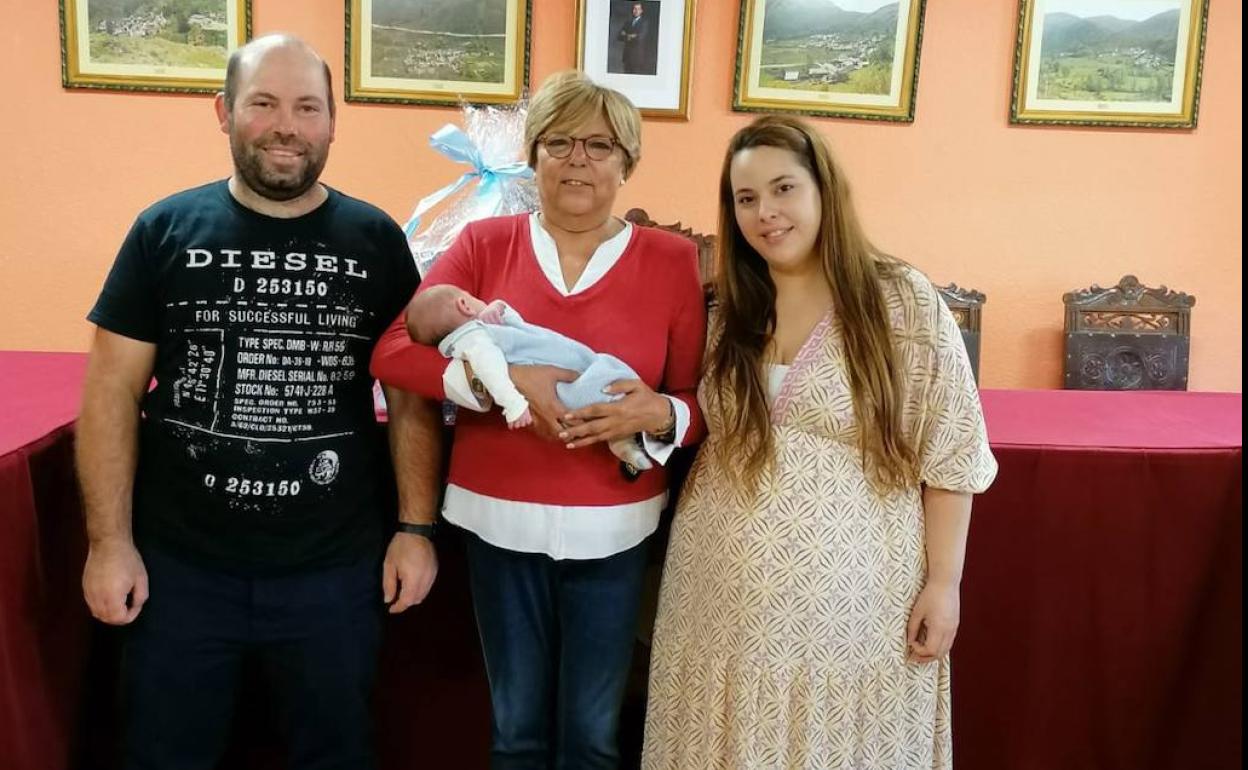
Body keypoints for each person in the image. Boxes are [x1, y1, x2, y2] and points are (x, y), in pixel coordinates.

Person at [76, 34, 442, 770]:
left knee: (335, 754)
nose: (287, 126)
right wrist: (109, 543)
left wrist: (415, 527)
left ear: (333, 122)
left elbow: (408, 400)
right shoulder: (164, 231)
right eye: (264, 104)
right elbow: (111, 393)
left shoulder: (375, 240)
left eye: (308, 107)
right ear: (223, 112)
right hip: (180, 568)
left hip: (333, 572)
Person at [371, 70, 706, 769]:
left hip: (615, 530)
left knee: (591, 736)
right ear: (533, 155)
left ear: (628, 162)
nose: (578, 158)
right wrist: (498, 382)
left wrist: (659, 411)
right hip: (499, 524)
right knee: (515, 731)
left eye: (600, 144)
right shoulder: (484, 244)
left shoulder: (673, 262)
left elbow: (698, 402)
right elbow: (394, 352)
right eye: (559, 141)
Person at [642, 115, 998, 769]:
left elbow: (952, 452)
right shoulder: (726, 307)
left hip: (855, 606)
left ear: (824, 191)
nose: (766, 213)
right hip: (718, 596)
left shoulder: (901, 303)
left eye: (783, 189)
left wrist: (945, 583)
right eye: (746, 199)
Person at [407, 284, 655, 472]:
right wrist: (513, 405)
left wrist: (499, 307)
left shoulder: (478, 334)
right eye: (475, 299)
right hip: (561, 384)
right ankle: (623, 436)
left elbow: (518, 325)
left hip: (564, 372)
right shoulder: (474, 338)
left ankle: (622, 438)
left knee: (606, 382)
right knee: (608, 383)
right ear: (465, 306)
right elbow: (492, 370)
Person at [617, 2, 654, 75]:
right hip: (627, 56)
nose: (636, 11)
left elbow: (640, 38)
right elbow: (619, 36)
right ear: (632, 10)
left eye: (638, 9)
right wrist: (631, 36)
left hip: (637, 57)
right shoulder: (628, 22)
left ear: (641, 11)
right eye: (634, 9)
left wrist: (626, 35)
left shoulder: (644, 23)